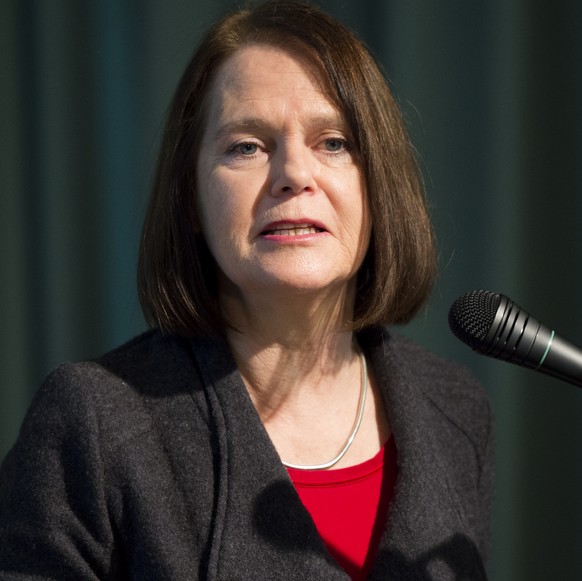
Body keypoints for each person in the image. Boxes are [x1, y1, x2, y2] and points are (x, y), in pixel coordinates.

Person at [0, 1, 493, 579]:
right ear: (191, 199)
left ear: (377, 184)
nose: (293, 174)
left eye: (333, 141)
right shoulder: (92, 423)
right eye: (247, 147)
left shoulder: (455, 410)